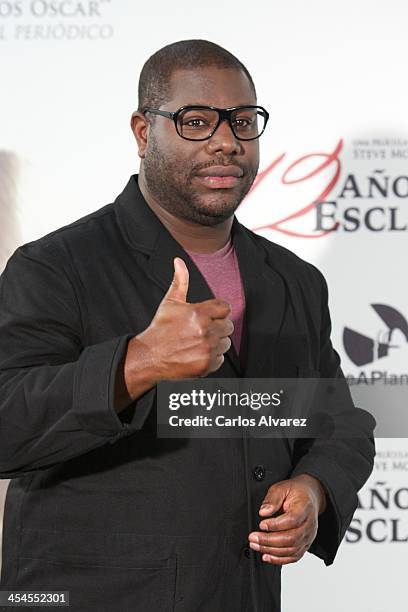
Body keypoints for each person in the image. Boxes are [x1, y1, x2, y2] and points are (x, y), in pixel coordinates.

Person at [0, 40, 375, 612]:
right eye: (195, 121)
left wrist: (314, 489)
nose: (226, 141)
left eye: (243, 122)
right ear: (144, 132)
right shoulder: (55, 266)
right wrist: (137, 363)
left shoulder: (293, 280)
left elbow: (334, 420)